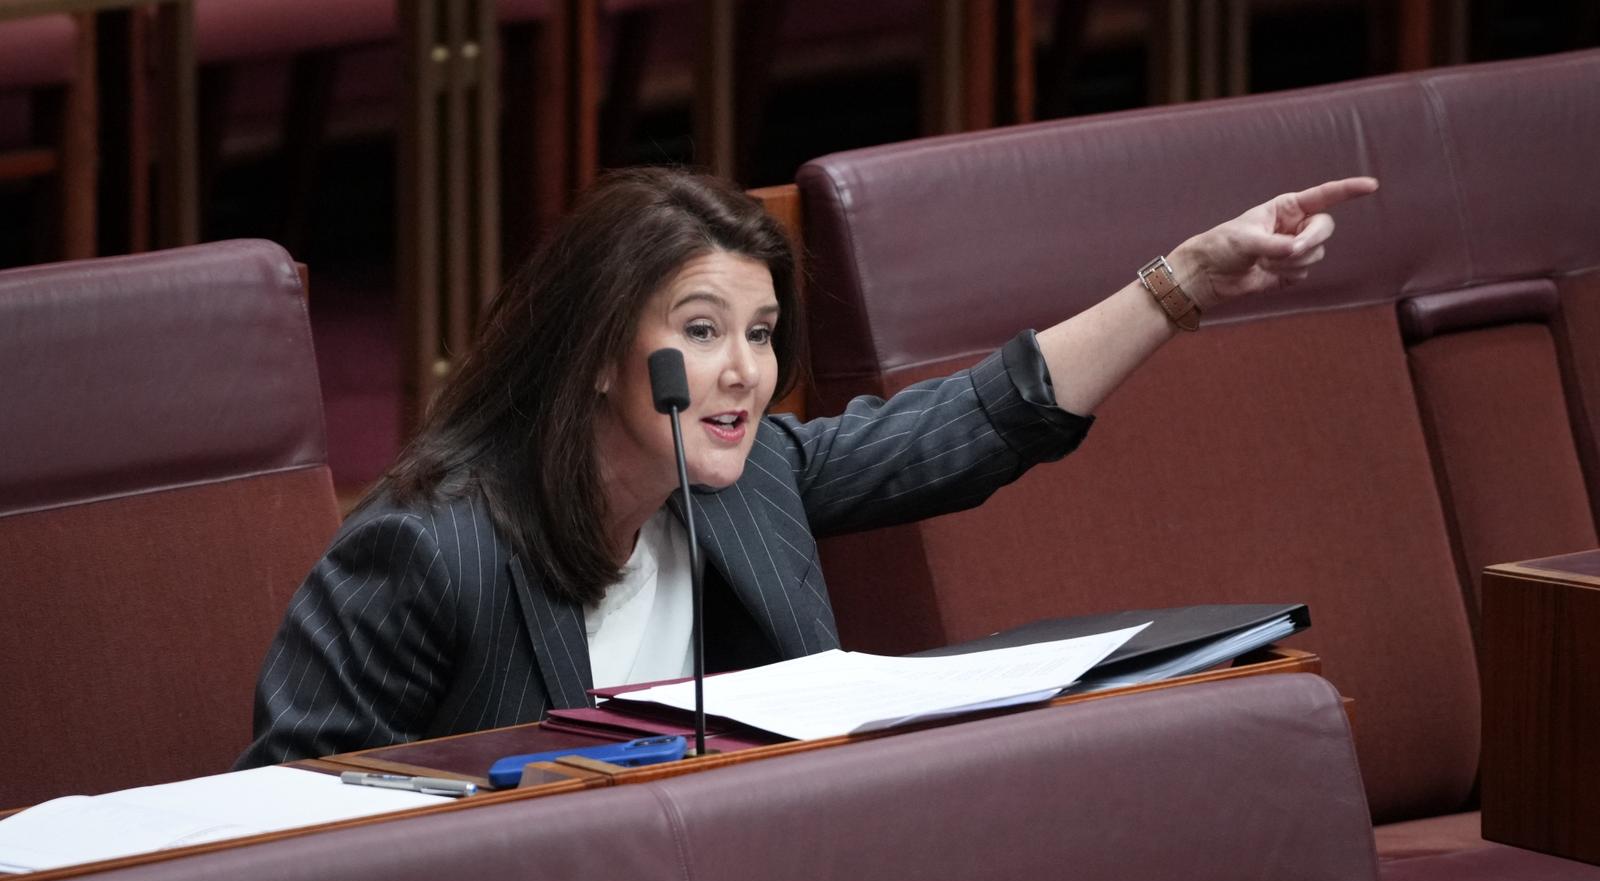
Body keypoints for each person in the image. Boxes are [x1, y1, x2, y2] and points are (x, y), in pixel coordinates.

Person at [237, 167, 1378, 767]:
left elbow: (983, 422)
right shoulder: (427, 548)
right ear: (593, 354)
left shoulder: (753, 482)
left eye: (762, 332)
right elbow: (275, 824)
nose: (740, 372)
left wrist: (1184, 281)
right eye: (698, 331)